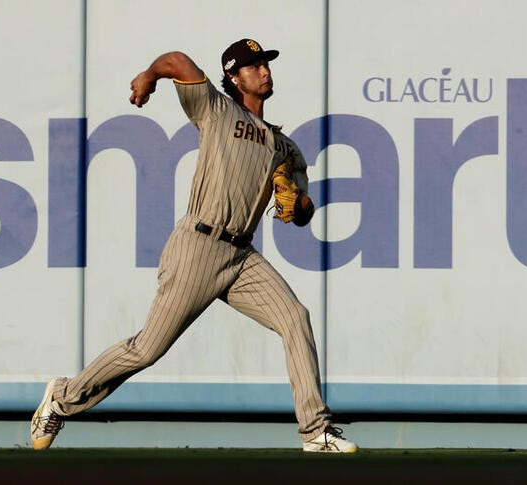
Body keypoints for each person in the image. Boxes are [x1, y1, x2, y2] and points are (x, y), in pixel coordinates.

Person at [30, 38, 357, 453]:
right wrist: (150, 76)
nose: (264, 71)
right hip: (199, 245)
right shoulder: (217, 109)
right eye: (253, 66)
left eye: (265, 64)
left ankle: (316, 431)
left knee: (295, 318)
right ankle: (62, 397)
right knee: (147, 349)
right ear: (235, 77)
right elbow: (177, 60)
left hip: (242, 257)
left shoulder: (284, 148)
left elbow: (304, 211)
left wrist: (299, 203)